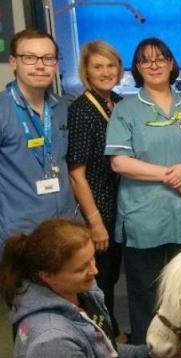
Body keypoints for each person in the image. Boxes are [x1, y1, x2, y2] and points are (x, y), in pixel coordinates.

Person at [104, 38, 181, 344]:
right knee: (145, 293)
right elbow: (119, 162)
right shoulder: (127, 110)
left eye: (161, 58)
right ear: (137, 68)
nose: (154, 65)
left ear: (172, 64)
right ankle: (145, 349)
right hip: (144, 216)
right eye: (146, 61)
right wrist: (171, 175)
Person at [0, 219, 148, 357]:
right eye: (81, 268)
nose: (94, 271)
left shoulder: (80, 291)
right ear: (47, 276)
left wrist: (149, 353)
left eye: (92, 258)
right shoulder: (52, 341)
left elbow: (105, 347)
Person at [67, 40, 125, 342]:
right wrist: (95, 222)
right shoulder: (81, 110)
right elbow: (77, 174)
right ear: (87, 73)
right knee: (97, 281)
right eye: (98, 66)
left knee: (111, 276)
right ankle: (102, 340)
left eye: (110, 65)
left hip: (118, 203)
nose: (105, 72)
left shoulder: (117, 101)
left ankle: (111, 332)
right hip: (98, 207)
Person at [0, 29, 77, 253]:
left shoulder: (62, 107)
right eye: (30, 58)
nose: (40, 65)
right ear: (14, 61)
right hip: (20, 235)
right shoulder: (3, 110)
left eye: (48, 58)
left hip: (65, 229)